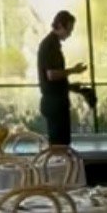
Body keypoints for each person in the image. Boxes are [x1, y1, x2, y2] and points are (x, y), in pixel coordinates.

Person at [36, 10, 86, 147]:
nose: (70, 33)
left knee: (62, 143)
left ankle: (64, 167)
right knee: (59, 145)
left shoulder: (53, 45)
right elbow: (51, 75)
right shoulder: (49, 46)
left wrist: (69, 86)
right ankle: (62, 168)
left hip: (56, 101)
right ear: (59, 25)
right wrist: (73, 70)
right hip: (54, 103)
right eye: (69, 29)